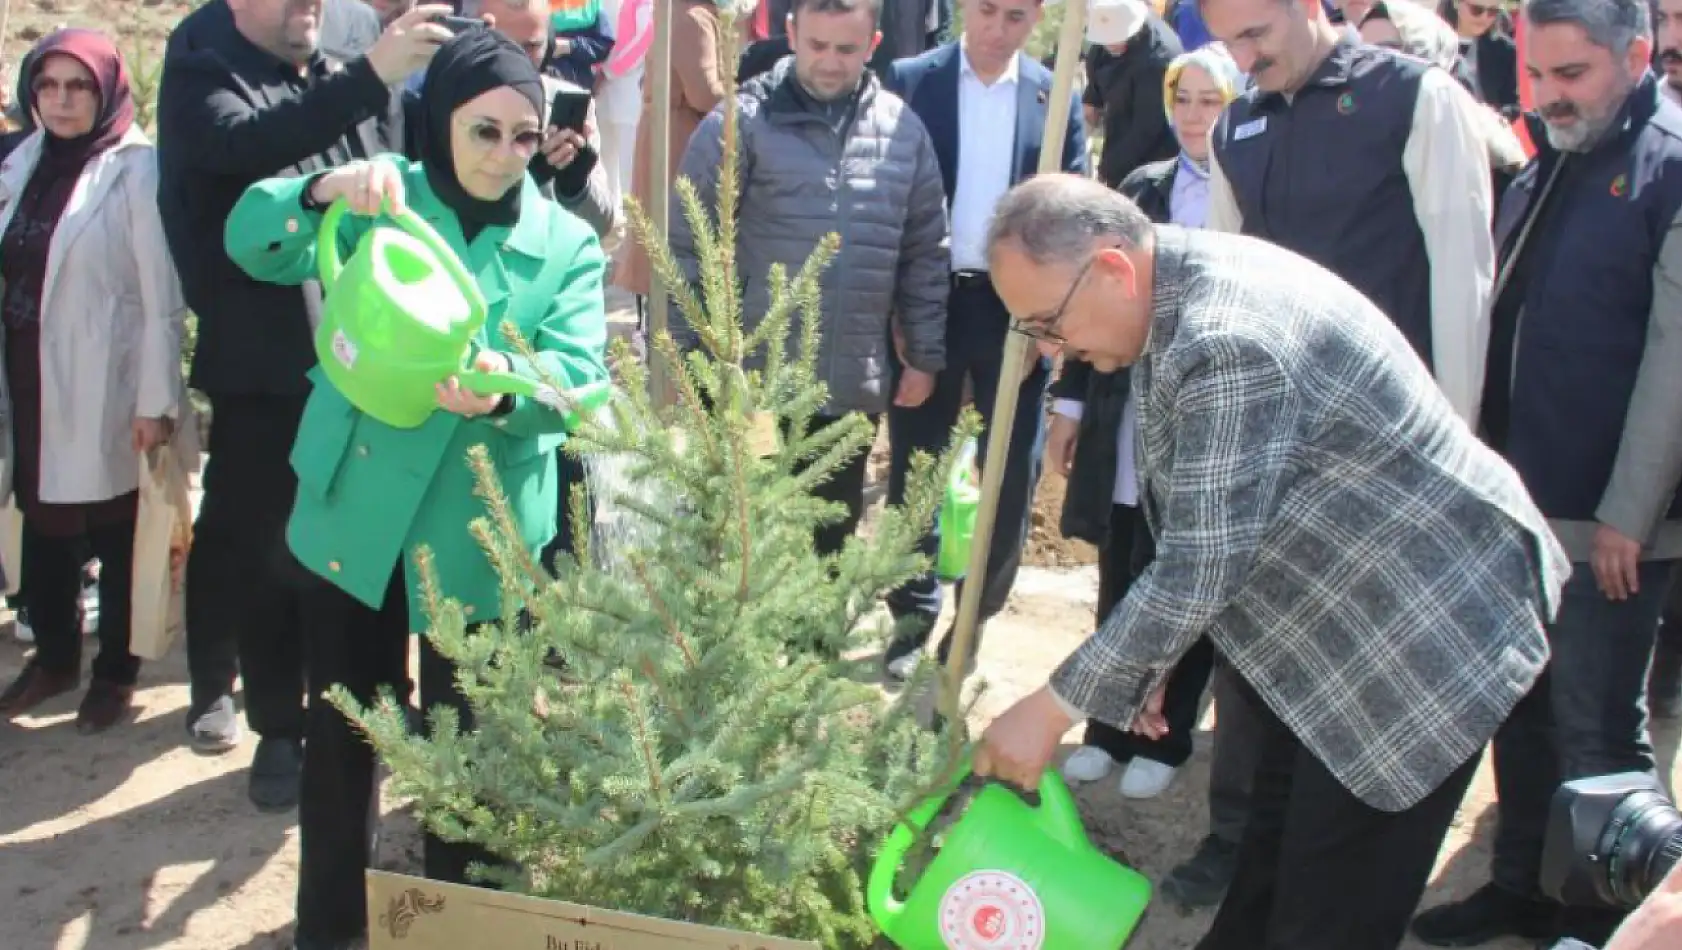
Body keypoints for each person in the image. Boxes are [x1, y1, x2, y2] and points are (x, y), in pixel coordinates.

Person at [972, 174, 1567, 950]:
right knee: (1271, 869)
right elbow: (1206, 517)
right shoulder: (1170, 292)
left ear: (1114, 270)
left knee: (1328, 907)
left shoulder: (1229, 340)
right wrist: (1156, 655)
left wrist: (1050, 709)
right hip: (1328, 628)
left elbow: (1198, 565)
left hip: (1420, 635)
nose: (1053, 350)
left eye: (1048, 323)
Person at [223, 29, 609, 950]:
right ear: (441, 120)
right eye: (485, 132)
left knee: (466, 751)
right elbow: (252, 242)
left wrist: (505, 394)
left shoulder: (564, 244)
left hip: (477, 534)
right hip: (359, 513)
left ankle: (460, 930)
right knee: (347, 735)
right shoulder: (387, 194)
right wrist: (322, 190)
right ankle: (332, 930)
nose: (504, 156)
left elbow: (580, 379)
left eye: (525, 137)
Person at [1412, 0, 1682, 945]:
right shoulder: (1559, 153)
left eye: (1573, 77)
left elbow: (1674, 362)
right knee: (1521, 718)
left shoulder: (1670, 165)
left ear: (1638, 55)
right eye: (1537, 76)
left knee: (1598, 737)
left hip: (1611, 528)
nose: (1550, 98)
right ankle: (1522, 891)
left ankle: (1605, 926)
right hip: (1521, 508)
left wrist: (1628, 517)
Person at [155, 0, 450, 810]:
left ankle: (380, 702)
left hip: (369, 359)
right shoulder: (202, 68)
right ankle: (281, 727)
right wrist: (373, 75)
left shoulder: (339, 62)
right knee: (272, 553)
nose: (308, 4)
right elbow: (248, 148)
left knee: (376, 542)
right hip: (267, 365)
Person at [670, 0, 950, 560]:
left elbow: (924, 249)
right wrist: (687, 356)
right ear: (792, 34)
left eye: (846, 49)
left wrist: (922, 353)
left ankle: (815, 652)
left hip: (850, 386)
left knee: (827, 550)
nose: (829, 62)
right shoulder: (738, 126)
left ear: (872, 46)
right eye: (817, 45)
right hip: (754, 387)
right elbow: (688, 243)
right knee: (747, 551)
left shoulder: (903, 133)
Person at [1052, 44, 1241, 805]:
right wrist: (1068, 405)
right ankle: (1106, 724)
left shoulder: (1249, 195)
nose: (1195, 116)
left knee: (1185, 575)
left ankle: (1167, 735)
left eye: (1212, 101)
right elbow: (1086, 299)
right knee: (1121, 572)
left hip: (1204, 425)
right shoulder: (1141, 189)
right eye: (1184, 99)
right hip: (1130, 415)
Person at [880, 0, 1086, 679]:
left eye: (1018, 17)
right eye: (990, 11)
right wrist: (900, 314)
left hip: (1014, 312)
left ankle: (972, 623)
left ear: (1037, 21)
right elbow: (887, 201)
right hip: (931, 299)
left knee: (1010, 471)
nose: (1000, 29)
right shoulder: (912, 80)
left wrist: (1048, 323)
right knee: (917, 464)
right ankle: (910, 617)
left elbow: (1074, 211)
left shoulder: (1052, 98)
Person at [0, 29, 188, 733]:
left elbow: (161, 293)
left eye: (78, 86)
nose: (61, 100)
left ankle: (115, 671)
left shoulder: (136, 169)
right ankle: (52, 655)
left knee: (115, 530)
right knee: (39, 522)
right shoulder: (22, 162)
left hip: (106, 378)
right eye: (47, 85)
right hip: (26, 374)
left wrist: (155, 401)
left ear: (106, 91)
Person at [412, 0, 616, 239]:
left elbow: (602, 228)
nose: (518, 59)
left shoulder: (571, 104)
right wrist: (527, 179)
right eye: (506, 44)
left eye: (531, 47)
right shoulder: (444, 101)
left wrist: (575, 188)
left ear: (549, 44)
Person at [1083, 0, 1182, 188]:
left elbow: (1145, 131)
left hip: (1155, 165)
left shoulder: (1160, 58)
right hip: (1118, 141)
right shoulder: (1101, 49)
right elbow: (1092, 103)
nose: (1110, 44)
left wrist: (1106, 172)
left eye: (1116, 37)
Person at [1441, 0, 1521, 116]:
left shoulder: (1504, 50)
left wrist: (1494, 115)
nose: (1484, 17)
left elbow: (1512, 103)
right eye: (1476, 10)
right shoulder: (1432, 43)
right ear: (1456, 3)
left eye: (1492, 12)